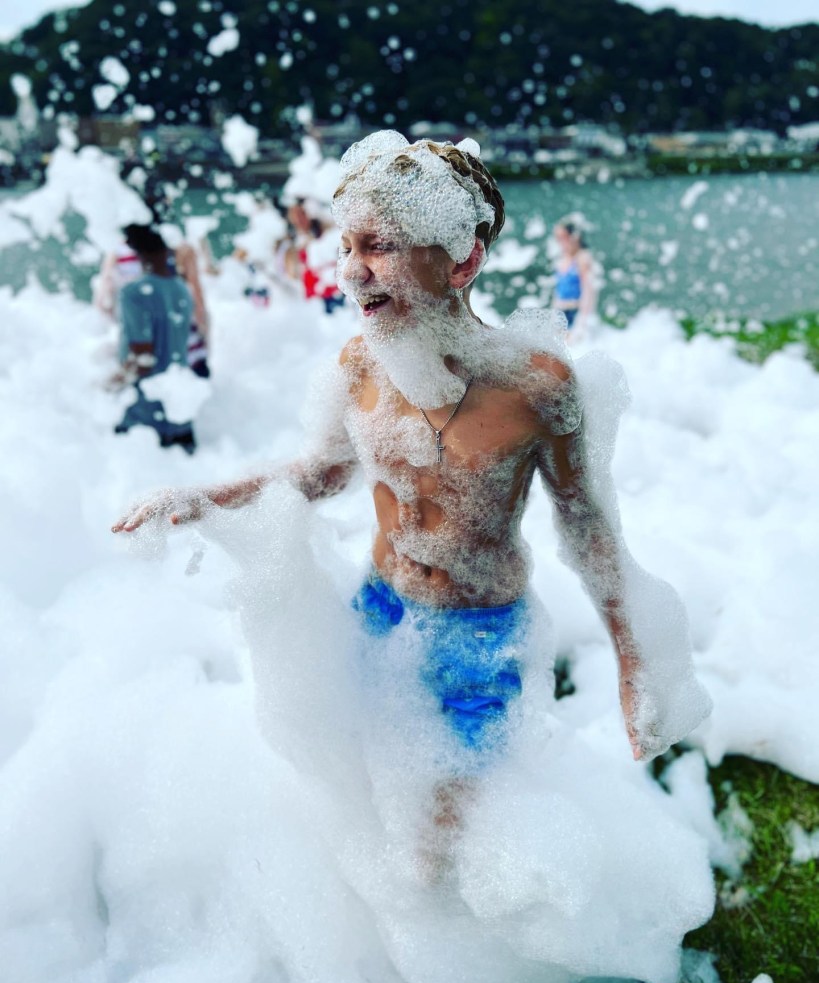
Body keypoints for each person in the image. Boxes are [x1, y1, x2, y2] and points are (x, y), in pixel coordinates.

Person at [112, 132, 709, 847]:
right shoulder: (360, 364)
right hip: (379, 612)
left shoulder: (536, 386)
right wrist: (202, 498)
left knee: (446, 840)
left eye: (378, 246)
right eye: (346, 246)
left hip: (479, 639)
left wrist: (636, 661)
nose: (350, 272)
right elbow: (320, 474)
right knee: (361, 798)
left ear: (462, 259)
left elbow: (586, 526)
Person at [112, 223, 197, 453]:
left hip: (146, 410)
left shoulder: (134, 293)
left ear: (138, 254)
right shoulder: (181, 289)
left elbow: (143, 355)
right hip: (179, 405)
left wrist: (115, 383)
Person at [552, 214, 597, 340]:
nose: (560, 243)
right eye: (558, 239)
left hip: (575, 312)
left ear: (574, 237)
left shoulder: (583, 258)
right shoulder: (562, 259)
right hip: (561, 313)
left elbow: (588, 292)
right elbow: (557, 292)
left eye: (563, 238)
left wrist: (582, 323)